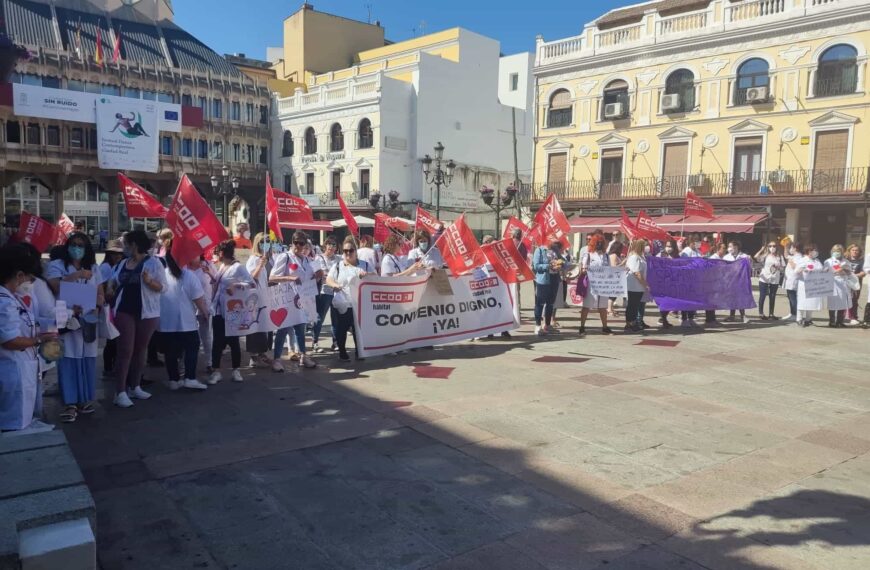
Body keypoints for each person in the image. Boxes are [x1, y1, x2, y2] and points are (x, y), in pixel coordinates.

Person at [46, 233, 105, 423]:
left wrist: (96, 307)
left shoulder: (94, 268)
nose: (77, 248)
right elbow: (55, 287)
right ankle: (70, 402)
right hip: (67, 315)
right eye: (74, 244)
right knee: (69, 356)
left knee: (87, 357)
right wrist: (77, 275)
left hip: (87, 319)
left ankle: (85, 399)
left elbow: (100, 293)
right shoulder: (57, 265)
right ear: (67, 246)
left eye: (81, 245)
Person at [106, 230, 165, 407]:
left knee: (141, 349)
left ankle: (135, 386)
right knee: (125, 349)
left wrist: (149, 282)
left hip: (147, 311)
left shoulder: (154, 263)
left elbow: (163, 287)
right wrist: (110, 288)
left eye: (126, 244)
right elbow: (113, 280)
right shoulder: (123, 263)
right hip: (124, 310)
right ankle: (120, 391)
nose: (124, 248)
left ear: (135, 245)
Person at [0, 247, 56, 432]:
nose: (29, 282)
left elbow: (28, 322)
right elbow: (10, 340)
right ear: (19, 275)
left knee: (23, 420)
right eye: (27, 278)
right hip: (12, 369)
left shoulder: (13, 298)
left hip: (23, 368)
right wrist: (38, 340)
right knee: (14, 426)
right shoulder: (4, 301)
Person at [158, 241, 210, 390]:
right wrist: (205, 314)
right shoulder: (188, 276)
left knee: (171, 353)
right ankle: (190, 378)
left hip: (166, 322)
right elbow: (199, 300)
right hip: (186, 323)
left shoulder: (161, 275)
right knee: (192, 349)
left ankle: (173, 380)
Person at [270, 231, 318, 369]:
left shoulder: (308, 260)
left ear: (305, 245)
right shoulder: (284, 257)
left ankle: (303, 355)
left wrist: (317, 276)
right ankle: (277, 359)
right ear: (292, 243)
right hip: (286, 300)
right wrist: (290, 278)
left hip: (301, 300)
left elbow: (309, 280)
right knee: (283, 329)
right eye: (295, 242)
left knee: (300, 329)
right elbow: (272, 277)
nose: (298, 245)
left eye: (301, 243)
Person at [209, 239, 254, 383]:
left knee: (234, 341)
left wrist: (236, 285)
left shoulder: (238, 267)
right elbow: (218, 283)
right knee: (217, 341)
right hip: (218, 309)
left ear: (222, 253)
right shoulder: (221, 266)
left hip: (232, 310)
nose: (215, 255)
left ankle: (236, 370)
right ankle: (216, 371)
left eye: (217, 253)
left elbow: (251, 283)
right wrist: (210, 275)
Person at [325, 237, 371, 362]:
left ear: (355, 251)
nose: (348, 253)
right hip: (342, 303)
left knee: (358, 329)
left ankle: (359, 351)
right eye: (345, 251)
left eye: (350, 250)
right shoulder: (338, 266)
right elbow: (328, 279)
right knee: (342, 329)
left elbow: (375, 277)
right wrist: (335, 285)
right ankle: (342, 351)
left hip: (359, 303)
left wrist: (367, 276)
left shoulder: (365, 265)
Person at [245, 233, 275, 370]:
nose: (266, 244)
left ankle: (262, 353)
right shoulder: (253, 259)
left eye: (268, 241)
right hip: (255, 299)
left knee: (264, 328)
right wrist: (260, 266)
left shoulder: (267, 258)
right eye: (263, 242)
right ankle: (253, 357)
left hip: (264, 297)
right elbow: (250, 277)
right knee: (255, 328)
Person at [577, 235, 613, 337]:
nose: (599, 244)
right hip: (591, 285)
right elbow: (583, 269)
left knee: (603, 307)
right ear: (593, 243)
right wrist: (586, 270)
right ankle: (582, 327)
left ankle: (605, 327)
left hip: (602, 285)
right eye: (597, 242)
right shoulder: (588, 255)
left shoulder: (606, 256)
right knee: (587, 306)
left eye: (601, 242)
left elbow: (609, 269)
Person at [100, 240, 125, 377]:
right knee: (112, 339)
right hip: (109, 305)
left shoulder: (116, 266)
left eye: (120, 254)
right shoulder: (106, 268)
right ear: (108, 254)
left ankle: (112, 366)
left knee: (114, 338)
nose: (117, 256)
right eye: (114, 254)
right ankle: (108, 368)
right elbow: (102, 287)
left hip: (114, 304)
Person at [532, 238, 565, 336]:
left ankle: (547, 325)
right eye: (552, 239)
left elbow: (563, 261)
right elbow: (536, 266)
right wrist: (549, 266)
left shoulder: (555, 250)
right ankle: (538, 325)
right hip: (543, 279)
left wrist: (561, 264)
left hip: (554, 278)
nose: (555, 242)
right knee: (540, 303)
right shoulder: (540, 250)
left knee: (550, 303)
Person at [313, 237, 339, 353]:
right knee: (320, 318)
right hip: (324, 291)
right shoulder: (319, 257)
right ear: (325, 246)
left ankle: (335, 342)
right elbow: (323, 274)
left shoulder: (339, 258)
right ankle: (315, 342)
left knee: (336, 318)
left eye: (334, 244)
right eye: (329, 244)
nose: (331, 247)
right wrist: (334, 277)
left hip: (337, 292)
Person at [191, 254, 215, 373]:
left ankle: (209, 363)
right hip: (189, 308)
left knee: (206, 336)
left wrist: (209, 272)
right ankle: (186, 364)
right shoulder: (184, 268)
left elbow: (217, 281)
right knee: (190, 338)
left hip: (205, 306)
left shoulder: (209, 264)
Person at [755, 240, 785, 320]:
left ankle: (771, 314)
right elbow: (756, 257)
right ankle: (761, 313)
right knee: (763, 296)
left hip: (775, 279)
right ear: (768, 247)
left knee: (772, 296)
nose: (772, 248)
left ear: (777, 247)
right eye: (770, 246)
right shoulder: (766, 255)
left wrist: (779, 267)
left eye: (774, 246)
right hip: (764, 278)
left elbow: (783, 268)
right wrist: (762, 249)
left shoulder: (780, 256)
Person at [625, 239, 650, 332]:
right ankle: (629, 324)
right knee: (632, 306)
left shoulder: (641, 257)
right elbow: (636, 273)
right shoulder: (634, 257)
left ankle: (633, 322)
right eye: (644, 245)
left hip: (638, 287)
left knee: (635, 306)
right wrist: (645, 284)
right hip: (634, 286)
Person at [723, 241, 751, 324]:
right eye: (729, 246)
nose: (729, 248)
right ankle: (732, 316)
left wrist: (750, 260)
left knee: (740, 297)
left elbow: (749, 267)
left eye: (730, 246)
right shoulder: (726, 257)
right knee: (732, 298)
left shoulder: (744, 256)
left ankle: (743, 316)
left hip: (741, 280)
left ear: (736, 247)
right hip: (730, 281)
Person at [795, 243, 823, 327]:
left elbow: (821, 269)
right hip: (804, 284)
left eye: (815, 250)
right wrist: (803, 269)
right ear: (808, 251)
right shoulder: (803, 260)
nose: (815, 252)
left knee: (812, 302)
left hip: (814, 284)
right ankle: (799, 319)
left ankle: (808, 319)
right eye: (813, 250)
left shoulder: (817, 260)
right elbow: (796, 271)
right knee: (802, 302)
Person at [825, 244, 852, 328]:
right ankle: (832, 321)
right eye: (835, 251)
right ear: (832, 251)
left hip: (843, 283)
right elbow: (824, 272)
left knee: (842, 303)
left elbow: (849, 272)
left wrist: (843, 269)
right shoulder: (828, 261)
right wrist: (835, 271)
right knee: (832, 303)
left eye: (839, 251)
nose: (837, 253)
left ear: (842, 252)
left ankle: (840, 321)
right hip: (833, 283)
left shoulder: (846, 261)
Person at [656, 239, 680, 328]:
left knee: (671, 302)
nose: (668, 248)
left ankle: (664, 318)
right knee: (664, 301)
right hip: (663, 282)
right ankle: (663, 319)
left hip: (673, 282)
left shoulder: (677, 257)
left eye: (670, 246)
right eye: (667, 246)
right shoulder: (661, 255)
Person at [679, 236, 701, 328]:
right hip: (686, 279)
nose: (697, 244)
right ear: (691, 242)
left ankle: (691, 318)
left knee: (693, 300)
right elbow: (684, 263)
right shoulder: (686, 251)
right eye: (695, 242)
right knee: (686, 300)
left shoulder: (697, 251)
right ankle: (684, 319)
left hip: (695, 279)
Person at [844, 244, 864, 325]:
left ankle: (853, 317)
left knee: (854, 300)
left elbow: (863, 273)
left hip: (856, 284)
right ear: (849, 251)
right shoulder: (845, 260)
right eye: (853, 250)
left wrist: (854, 276)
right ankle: (841, 316)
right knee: (844, 300)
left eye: (857, 250)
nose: (855, 252)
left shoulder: (861, 261)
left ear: (859, 252)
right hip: (845, 283)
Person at [784, 241, 803, 322]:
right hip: (789, 280)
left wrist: (791, 262)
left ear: (795, 248)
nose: (790, 249)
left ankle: (795, 314)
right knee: (790, 296)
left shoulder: (799, 257)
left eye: (791, 247)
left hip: (793, 280)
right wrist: (785, 247)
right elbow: (785, 255)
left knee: (793, 298)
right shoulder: (794, 256)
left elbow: (796, 267)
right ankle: (792, 313)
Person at [607, 241, 625, 318]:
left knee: (614, 294)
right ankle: (609, 309)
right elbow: (614, 267)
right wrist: (623, 263)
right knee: (612, 294)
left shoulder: (614, 255)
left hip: (615, 277)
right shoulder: (614, 255)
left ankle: (611, 308)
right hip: (613, 277)